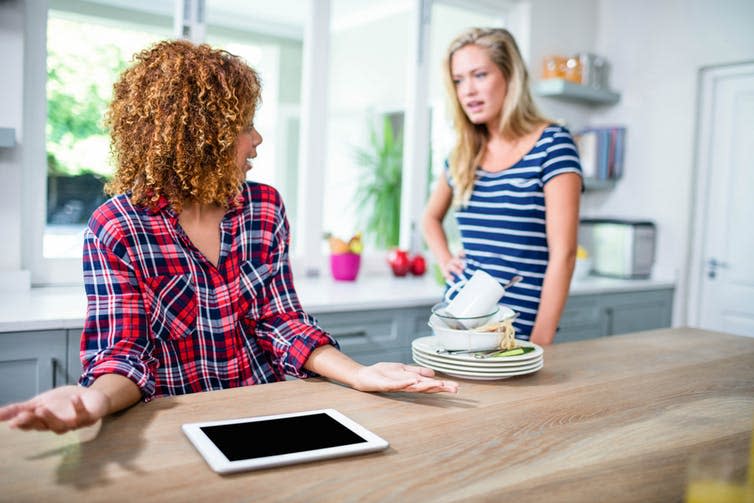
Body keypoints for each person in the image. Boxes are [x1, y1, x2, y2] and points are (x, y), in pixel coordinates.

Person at [0, 40, 457, 434]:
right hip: (176, 426)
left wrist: (360, 374)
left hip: (269, 407)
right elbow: (124, 354)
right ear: (200, 137)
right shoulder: (118, 227)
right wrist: (93, 401)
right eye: (243, 127)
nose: (257, 138)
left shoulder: (264, 207)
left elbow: (282, 322)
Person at [423, 28, 582, 345]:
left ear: (510, 77)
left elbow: (564, 254)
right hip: (460, 323)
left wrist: (541, 341)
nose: (467, 90)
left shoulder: (553, 145)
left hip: (520, 334)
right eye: (458, 80)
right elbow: (429, 219)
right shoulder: (463, 155)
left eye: (479, 75)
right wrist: (445, 260)